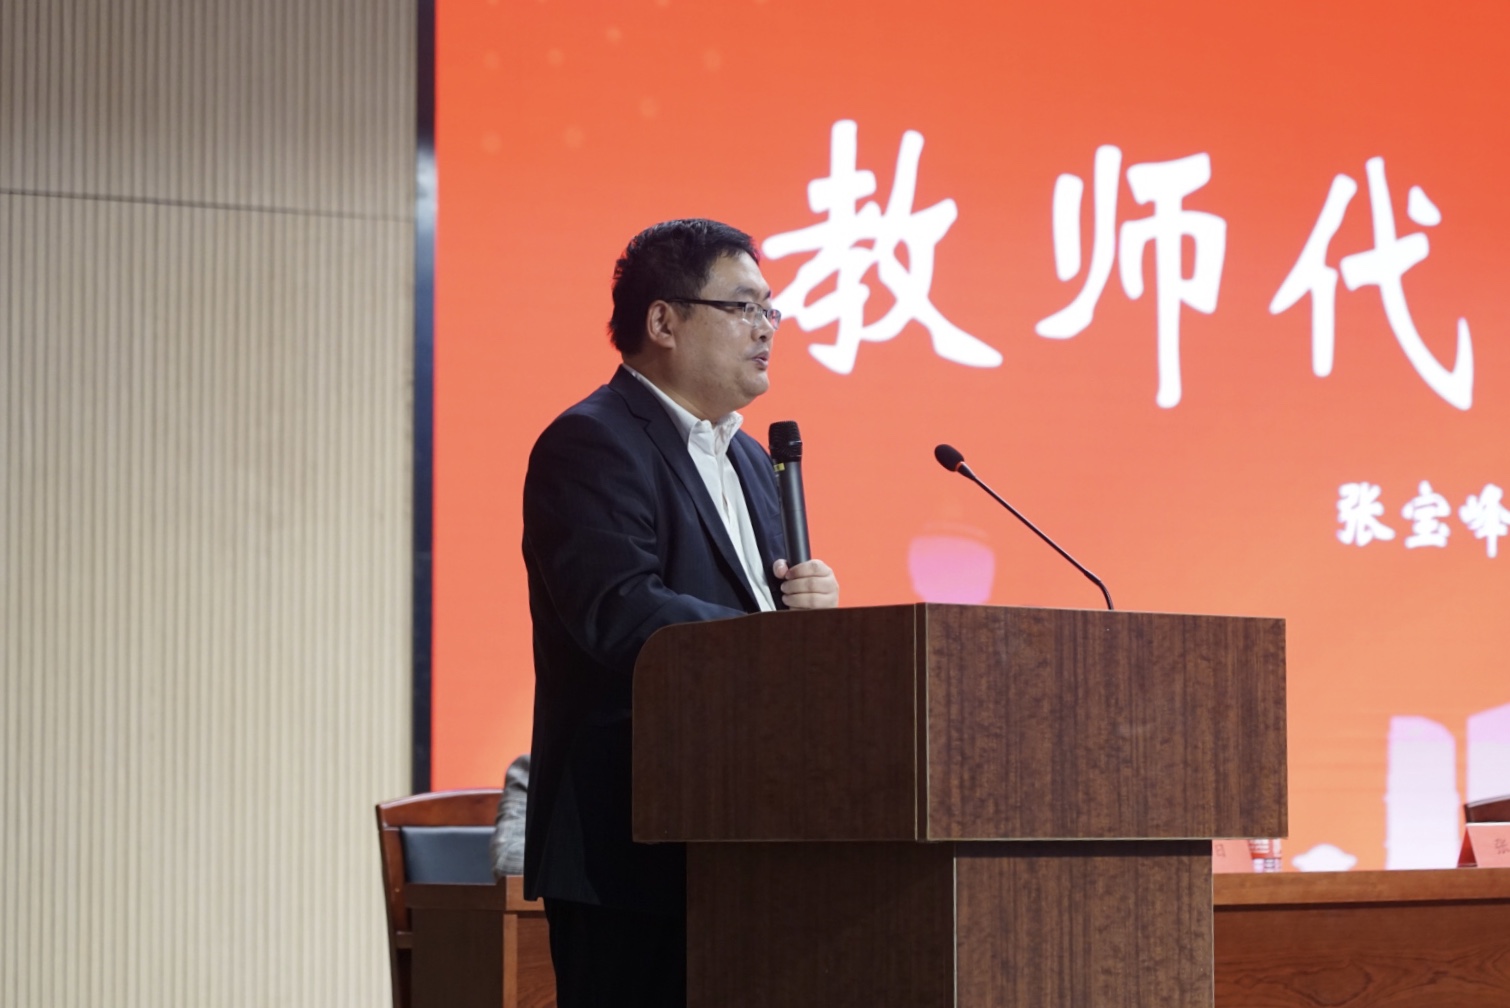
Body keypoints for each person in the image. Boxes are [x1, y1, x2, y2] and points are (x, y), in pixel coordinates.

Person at [521, 218, 840, 1008]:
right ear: (663, 321)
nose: (767, 328)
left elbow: (758, 615)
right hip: (632, 850)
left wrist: (816, 624)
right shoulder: (590, 443)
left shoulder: (752, 460)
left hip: (746, 838)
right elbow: (620, 612)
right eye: (743, 307)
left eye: (770, 308)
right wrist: (775, 642)